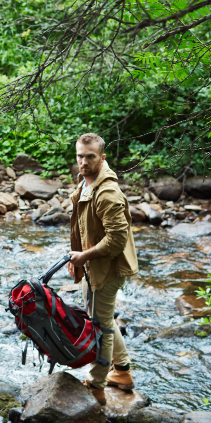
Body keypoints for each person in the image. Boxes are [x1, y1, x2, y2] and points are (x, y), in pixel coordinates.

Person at [66, 133, 139, 405]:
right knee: (103, 319)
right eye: (80, 157)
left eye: (90, 157)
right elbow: (85, 227)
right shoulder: (87, 183)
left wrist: (84, 256)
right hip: (93, 265)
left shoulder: (107, 193)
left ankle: (97, 385)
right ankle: (122, 372)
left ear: (102, 157)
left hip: (108, 269)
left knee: (100, 326)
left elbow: (117, 240)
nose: (83, 162)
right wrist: (78, 258)